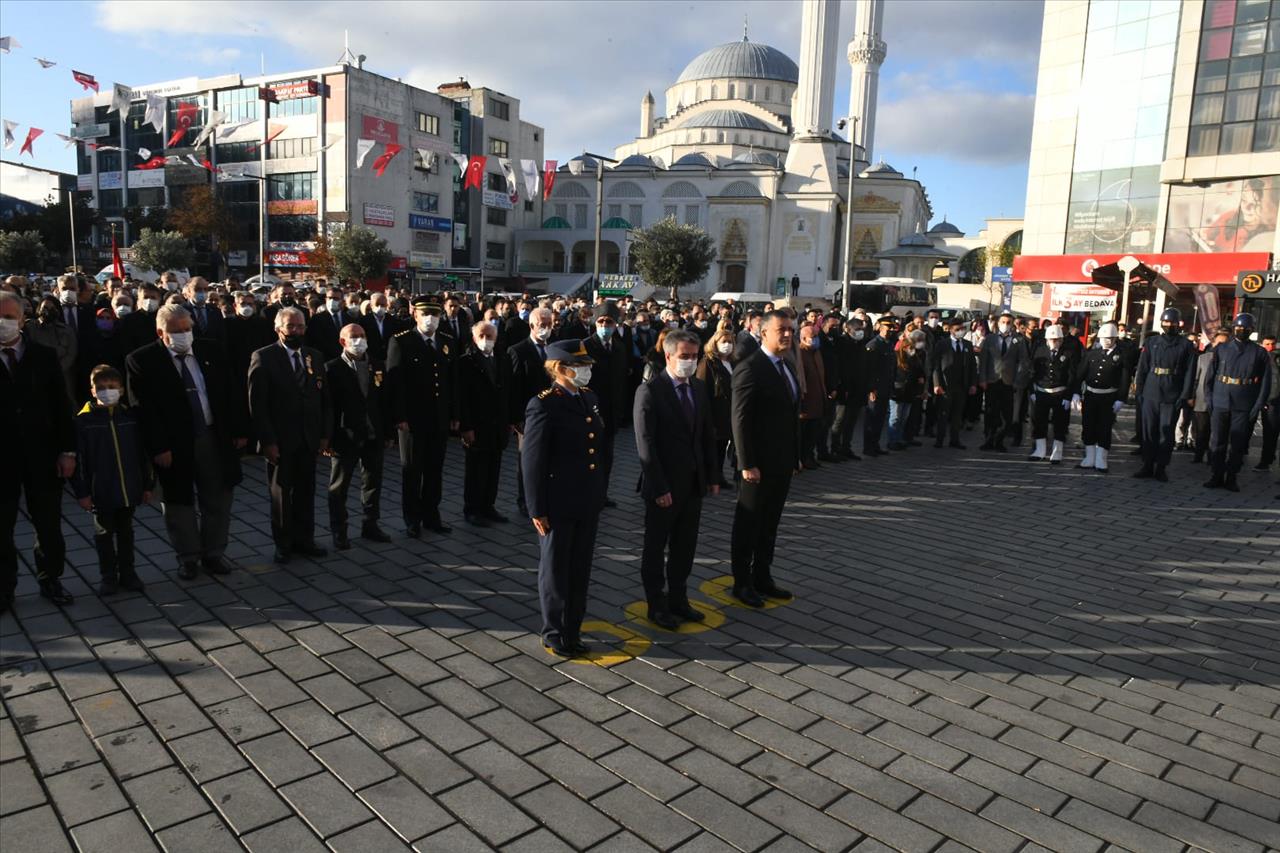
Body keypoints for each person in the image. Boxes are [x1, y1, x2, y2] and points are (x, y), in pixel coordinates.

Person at [127, 304, 249, 579]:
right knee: (177, 501)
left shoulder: (212, 351)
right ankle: (188, 556)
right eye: (176, 331)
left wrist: (240, 430)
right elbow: (143, 409)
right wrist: (158, 447)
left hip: (212, 436)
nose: (184, 335)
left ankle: (214, 553)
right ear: (161, 332)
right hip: (174, 443)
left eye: (187, 329)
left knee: (218, 497)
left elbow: (231, 392)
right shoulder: (142, 360)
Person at [522, 339, 607, 658]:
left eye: (586, 366)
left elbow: (597, 447)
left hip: (586, 498)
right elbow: (532, 461)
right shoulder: (544, 404)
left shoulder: (589, 397)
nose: (585, 372)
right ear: (560, 368)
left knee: (580, 567)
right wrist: (537, 508)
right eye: (580, 366)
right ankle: (554, 631)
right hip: (558, 501)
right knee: (556, 569)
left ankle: (574, 627)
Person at [633, 330, 719, 629]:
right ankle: (656, 605)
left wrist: (712, 475)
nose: (690, 362)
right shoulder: (650, 391)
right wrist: (658, 486)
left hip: (693, 483)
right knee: (656, 547)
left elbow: (707, 434)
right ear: (668, 356)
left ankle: (679, 599)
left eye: (694, 356)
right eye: (684, 356)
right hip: (663, 486)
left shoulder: (697, 386)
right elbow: (646, 444)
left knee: (685, 545)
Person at [0, 291, 77, 611]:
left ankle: (50, 578)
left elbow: (62, 406)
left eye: (8, 317)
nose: (2, 324)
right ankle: (4, 588)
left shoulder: (43, 356)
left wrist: (68, 451)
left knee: (47, 521)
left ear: (21, 320)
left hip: (42, 453)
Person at [248, 307, 332, 562]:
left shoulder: (314, 356)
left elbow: (324, 399)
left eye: (300, 326)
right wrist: (267, 441)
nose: (295, 331)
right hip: (280, 439)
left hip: (308, 437)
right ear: (278, 328)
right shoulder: (263, 357)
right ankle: (283, 543)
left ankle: (305, 539)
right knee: (282, 494)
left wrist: (324, 435)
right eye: (290, 326)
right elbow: (257, 405)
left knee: (306, 491)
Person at [729, 310, 799, 608]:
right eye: (781, 329)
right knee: (749, 524)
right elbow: (740, 419)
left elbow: (790, 417)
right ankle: (742, 582)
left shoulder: (787, 365)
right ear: (764, 333)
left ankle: (762, 576)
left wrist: (795, 456)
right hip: (756, 465)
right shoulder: (750, 367)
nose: (787, 335)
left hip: (781, 462)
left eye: (790, 330)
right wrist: (746, 463)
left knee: (770, 523)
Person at [72, 364, 152, 595]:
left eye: (112, 387)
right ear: (93, 390)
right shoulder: (83, 422)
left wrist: (147, 485)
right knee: (104, 534)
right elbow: (79, 460)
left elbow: (141, 455)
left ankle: (128, 572)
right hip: (101, 490)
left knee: (126, 532)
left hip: (128, 488)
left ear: (121, 390)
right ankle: (108, 575)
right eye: (102, 387)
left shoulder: (129, 418)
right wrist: (82, 492)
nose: (108, 391)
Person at [387, 298, 458, 537]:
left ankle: (432, 514)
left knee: (435, 469)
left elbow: (451, 383)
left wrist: (454, 414)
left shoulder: (446, 341)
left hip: (438, 417)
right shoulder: (401, 341)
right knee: (412, 470)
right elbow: (395, 384)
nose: (430, 319)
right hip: (413, 419)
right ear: (414, 314)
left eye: (435, 314)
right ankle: (412, 518)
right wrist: (399, 416)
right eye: (425, 313)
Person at [324, 323, 392, 550]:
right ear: (343, 341)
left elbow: (384, 402)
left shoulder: (377, 365)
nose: (359, 340)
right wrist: (328, 438)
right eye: (354, 337)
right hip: (346, 436)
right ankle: (339, 530)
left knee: (372, 482)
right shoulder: (332, 369)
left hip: (373, 433)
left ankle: (370, 524)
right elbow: (328, 407)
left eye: (362, 336)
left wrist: (388, 432)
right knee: (339, 486)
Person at [1204, 313, 1272, 492]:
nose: (1241, 331)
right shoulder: (1221, 349)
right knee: (1217, 441)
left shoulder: (1259, 352)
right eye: (1238, 328)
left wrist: (1258, 404)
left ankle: (1232, 477)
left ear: (1251, 330)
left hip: (1244, 402)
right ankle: (1216, 474)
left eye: (1246, 329)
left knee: (1237, 443)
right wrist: (1209, 398)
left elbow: (1265, 381)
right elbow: (1210, 377)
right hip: (1220, 399)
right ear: (1233, 328)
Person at [459, 320, 513, 526]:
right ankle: (472, 509)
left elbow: (507, 391)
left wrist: (508, 420)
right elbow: (462, 397)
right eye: (481, 336)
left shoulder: (502, 359)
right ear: (474, 338)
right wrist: (466, 427)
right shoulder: (466, 361)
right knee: (475, 470)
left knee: (493, 467)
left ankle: (488, 506)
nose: (485, 340)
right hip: (476, 425)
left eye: (489, 336)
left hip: (498, 424)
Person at [1134, 307, 1197, 482]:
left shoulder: (1186, 345)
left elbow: (1189, 373)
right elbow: (1143, 368)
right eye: (1166, 322)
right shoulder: (1152, 342)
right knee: (1148, 430)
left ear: (1179, 324)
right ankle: (1147, 464)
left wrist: (1184, 396)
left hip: (1172, 392)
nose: (1169, 325)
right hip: (1151, 390)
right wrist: (1139, 390)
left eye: (1172, 323)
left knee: (1166, 432)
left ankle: (1161, 467)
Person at [510, 307, 555, 516]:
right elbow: (515, 387)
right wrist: (516, 417)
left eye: (549, 325)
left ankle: (545, 496)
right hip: (528, 416)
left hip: (552, 414)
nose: (545, 329)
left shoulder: (554, 350)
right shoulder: (518, 350)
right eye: (542, 325)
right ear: (531, 326)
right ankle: (524, 500)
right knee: (527, 460)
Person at [583, 301, 629, 507]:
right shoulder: (585, 346)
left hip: (610, 412)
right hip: (590, 411)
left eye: (608, 322)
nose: (604, 325)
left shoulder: (619, 348)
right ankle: (588, 494)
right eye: (600, 321)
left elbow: (621, 382)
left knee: (607, 458)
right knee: (589, 457)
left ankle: (602, 494)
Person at [1072, 322, 1130, 473]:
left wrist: (1120, 398)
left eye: (1110, 338)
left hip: (1108, 397)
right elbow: (1080, 375)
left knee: (1104, 427)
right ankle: (1089, 458)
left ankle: (1101, 459)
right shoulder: (1092, 354)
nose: (1106, 341)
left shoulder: (1122, 356)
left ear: (1115, 338)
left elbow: (1125, 379)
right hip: (1091, 395)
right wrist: (1076, 392)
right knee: (1088, 425)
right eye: (1104, 338)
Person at [978, 310, 1031, 452]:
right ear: (998, 323)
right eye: (1003, 322)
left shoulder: (1018, 340)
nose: (1005, 325)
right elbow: (983, 360)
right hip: (992, 380)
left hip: (1009, 382)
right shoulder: (990, 339)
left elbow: (1024, 362)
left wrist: (1018, 380)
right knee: (990, 412)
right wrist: (982, 379)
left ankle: (999, 440)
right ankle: (988, 439)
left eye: (1008, 323)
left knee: (1006, 414)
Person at [1027, 325, 1075, 464]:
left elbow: (1072, 375)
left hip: (1060, 393)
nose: (1055, 342)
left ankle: (1057, 452)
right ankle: (1040, 450)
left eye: (1057, 340)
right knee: (1039, 422)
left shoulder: (1069, 353)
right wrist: (1032, 391)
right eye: (1052, 340)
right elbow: (1031, 372)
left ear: (1061, 340)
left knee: (1060, 423)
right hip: (1042, 392)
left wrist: (1068, 396)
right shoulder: (1039, 351)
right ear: (1047, 339)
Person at [695, 327, 736, 487]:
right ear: (715, 343)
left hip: (727, 412)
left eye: (730, 342)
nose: (727, 345)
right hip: (714, 412)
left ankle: (718, 476)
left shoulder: (732, 362)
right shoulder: (708, 363)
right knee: (711, 447)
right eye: (724, 342)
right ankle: (707, 478)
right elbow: (702, 389)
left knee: (721, 447)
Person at [930, 317, 977, 449]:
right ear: (951, 330)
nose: (960, 331)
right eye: (957, 329)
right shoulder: (942, 344)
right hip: (945, 385)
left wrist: (973, 384)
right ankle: (940, 439)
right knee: (943, 414)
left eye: (962, 329)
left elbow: (972, 366)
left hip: (962, 385)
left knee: (957, 415)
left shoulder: (967, 345)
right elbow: (936, 366)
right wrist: (936, 384)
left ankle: (954, 439)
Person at [829, 316, 868, 459]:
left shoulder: (861, 344)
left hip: (858, 388)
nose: (860, 332)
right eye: (857, 330)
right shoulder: (842, 343)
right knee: (840, 419)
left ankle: (846, 447)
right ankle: (835, 447)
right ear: (848, 329)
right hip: (844, 389)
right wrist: (841, 387)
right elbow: (840, 367)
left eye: (862, 330)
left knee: (852, 420)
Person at [1190, 330, 1228, 465]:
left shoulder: (1229, 359)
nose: (1221, 346)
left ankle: (1213, 457)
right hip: (1202, 400)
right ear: (1213, 343)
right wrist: (1191, 396)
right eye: (1219, 343)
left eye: (1224, 343)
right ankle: (1198, 455)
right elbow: (1195, 379)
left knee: (1216, 432)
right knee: (1201, 430)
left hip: (1220, 401)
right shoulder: (1203, 358)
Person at [888, 329, 928, 451]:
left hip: (910, 392)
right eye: (909, 347)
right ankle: (892, 441)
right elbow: (892, 374)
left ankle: (899, 439)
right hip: (898, 391)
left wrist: (921, 379)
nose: (911, 350)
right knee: (895, 417)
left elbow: (920, 371)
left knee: (903, 418)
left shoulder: (915, 358)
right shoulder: (896, 357)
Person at [863, 315, 897, 456]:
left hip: (886, 386)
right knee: (872, 418)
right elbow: (869, 369)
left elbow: (891, 367)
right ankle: (868, 447)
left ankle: (875, 444)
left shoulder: (888, 344)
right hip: (875, 388)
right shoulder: (874, 345)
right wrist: (871, 389)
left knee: (880, 418)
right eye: (887, 327)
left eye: (891, 328)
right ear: (880, 327)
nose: (889, 330)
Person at [797, 322, 828, 467]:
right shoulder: (800, 353)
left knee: (814, 432)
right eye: (812, 336)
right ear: (803, 338)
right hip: (806, 402)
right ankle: (802, 458)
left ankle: (809, 456)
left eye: (816, 336)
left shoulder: (816, 352)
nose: (816, 339)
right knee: (804, 434)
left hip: (818, 399)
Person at [307, 286, 349, 361]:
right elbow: (313, 342)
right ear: (326, 299)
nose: (332, 301)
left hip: (347, 361)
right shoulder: (316, 319)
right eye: (330, 298)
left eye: (336, 299)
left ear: (342, 301)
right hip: (326, 362)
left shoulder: (349, 319)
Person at [1256, 334, 1279, 471]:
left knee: (1271, 433)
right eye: (1267, 344)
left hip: (1274, 401)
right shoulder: (1260, 359)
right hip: (1268, 401)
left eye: (1272, 344)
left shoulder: (1276, 358)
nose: (1270, 347)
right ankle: (1267, 459)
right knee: (1269, 432)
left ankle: (1267, 459)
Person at [359, 291, 401, 363]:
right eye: (377, 304)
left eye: (382, 305)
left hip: (389, 357)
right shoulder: (364, 321)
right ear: (371, 305)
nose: (380, 307)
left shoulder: (392, 320)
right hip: (371, 358)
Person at [185, 277, 226, 348]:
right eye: (198, 289)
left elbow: (221, 335)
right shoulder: (181, 310)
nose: (202, 292)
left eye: (205, 289)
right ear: (188, 291)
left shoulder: (215, 311)